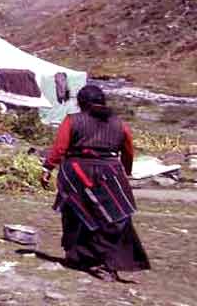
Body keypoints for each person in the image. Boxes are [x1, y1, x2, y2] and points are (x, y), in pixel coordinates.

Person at [40, 84, 150, 281]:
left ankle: (80, 256)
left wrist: (47, 167)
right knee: (115, 217)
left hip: (76, 172)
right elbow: (128, 150)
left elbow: (60, 148)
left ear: (80, 102)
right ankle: (100, 261)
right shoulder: (119, 123)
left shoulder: (72, 120)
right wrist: (126, 171)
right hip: (110, 172)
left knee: (75, 214)